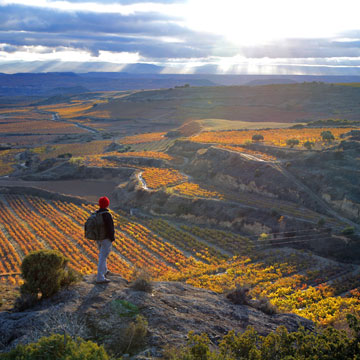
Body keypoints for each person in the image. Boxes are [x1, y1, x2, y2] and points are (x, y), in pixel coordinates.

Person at [95, 196, 115, 284]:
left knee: (102, 255)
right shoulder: (107, 215)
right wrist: (112, 238)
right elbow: (110, 228)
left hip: (98, 238)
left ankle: (105, 271)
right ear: (107, 204)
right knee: (103, 257)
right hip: (106, 239)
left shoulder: (96, 213)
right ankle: (100, 277)